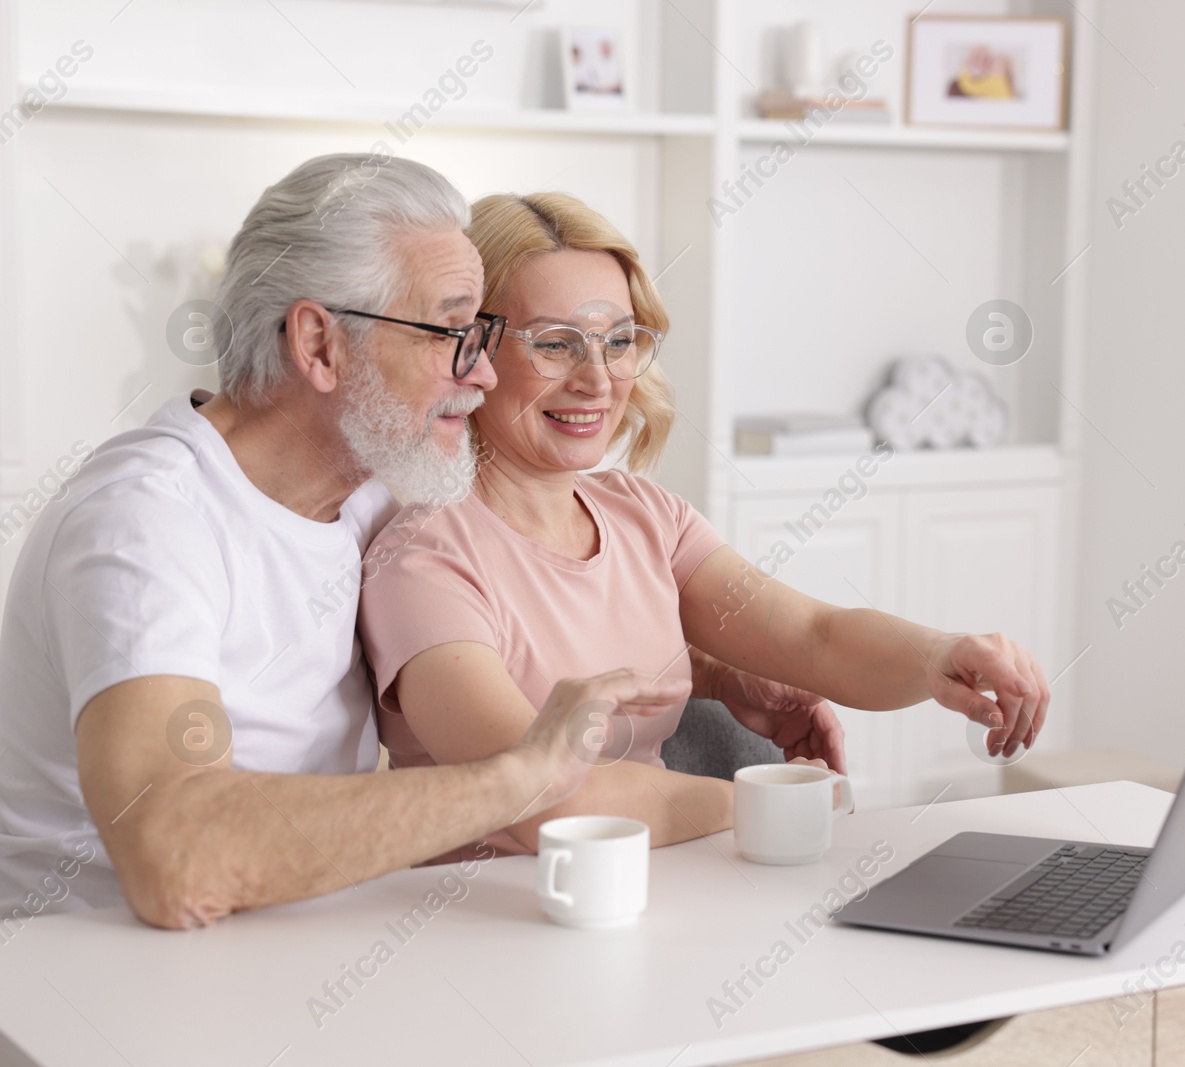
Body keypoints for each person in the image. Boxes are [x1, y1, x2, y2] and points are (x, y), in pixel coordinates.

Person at [0, 154, 784, 929]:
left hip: (301, 942)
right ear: (319, 345)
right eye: (451, 331)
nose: (480, 377)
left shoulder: (367, 489)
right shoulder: (145, 522)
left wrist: (711, 673)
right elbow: (176, 858)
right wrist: (520, 778)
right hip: (104, 981)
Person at [357, 191, 1051, 861]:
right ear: (470, 350)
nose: (598, 379)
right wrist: (763, 803)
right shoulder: (423, 562)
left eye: (619, 340)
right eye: (556, 344)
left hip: (663, 894)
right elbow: (538, 800)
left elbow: (817, 637)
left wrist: (940, 657)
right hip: (482, 926)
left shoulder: (644, 516)